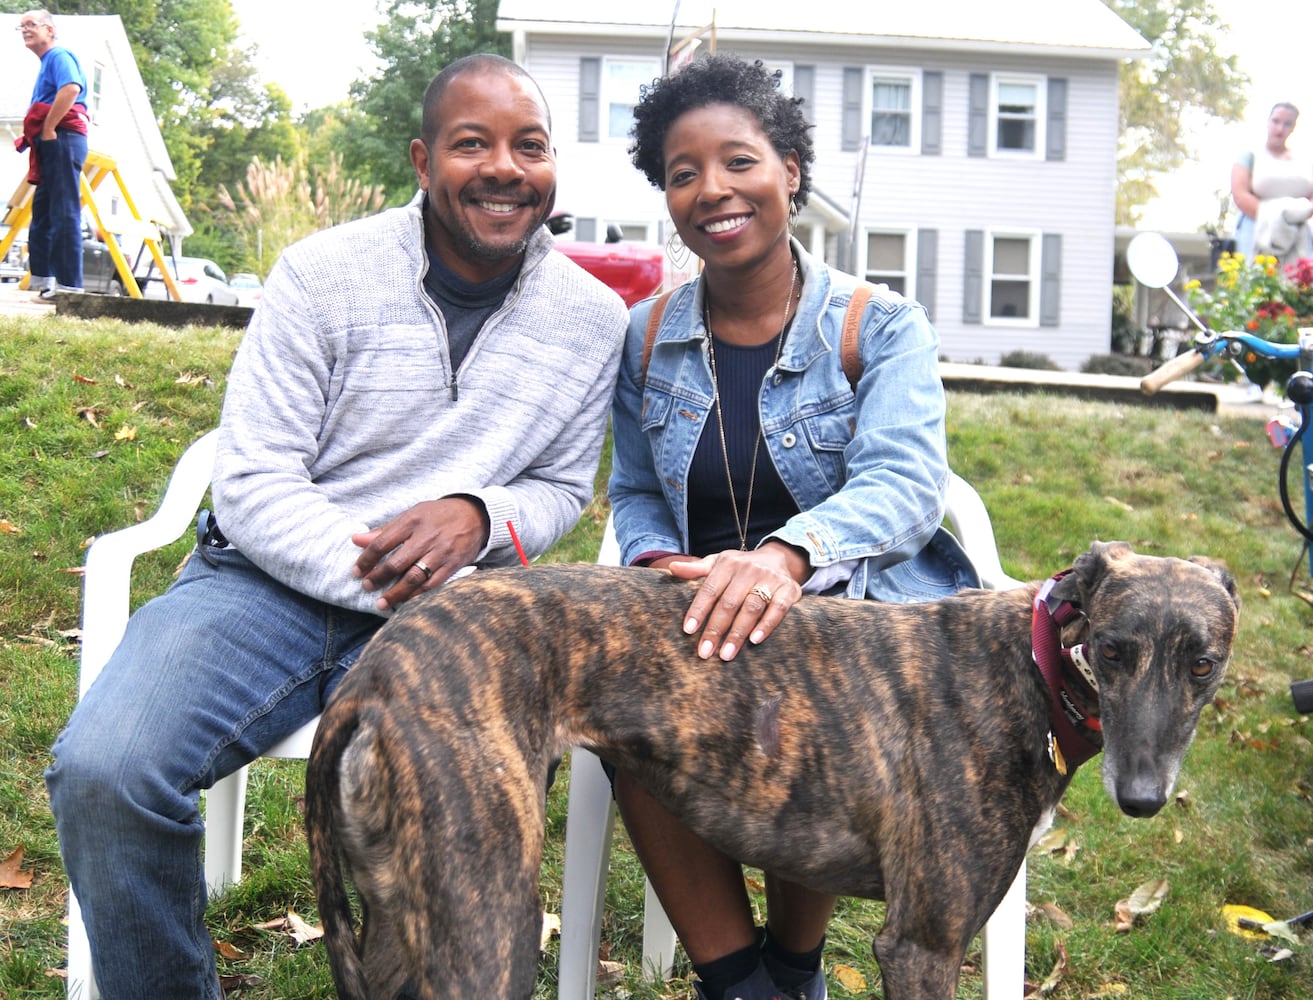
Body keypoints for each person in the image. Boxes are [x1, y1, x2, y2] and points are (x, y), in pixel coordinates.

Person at [45, 53, 628, 999]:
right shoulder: (321, 274)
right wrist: (378, 572)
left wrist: (480, 512)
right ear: (421, 158)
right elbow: (253, 476)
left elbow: (562, 486)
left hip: (451, 614)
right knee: (107, 771)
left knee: (462, 816)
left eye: (529, 146)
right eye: (471, 143)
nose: (504, 168)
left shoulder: (593, 319)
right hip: (262, 587)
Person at [607, 53, 977, 1000]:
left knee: (792, 660)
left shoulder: (878, 325)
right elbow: (637, 491)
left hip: (859, 612)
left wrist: (786, 554)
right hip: (704, 610)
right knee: (622, 698)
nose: (711, 191)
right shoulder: (647, 337)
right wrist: (659, 565)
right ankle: (741, 982)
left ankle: (793, 967)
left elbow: (904, 485)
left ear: (789, 172)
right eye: (682, 173)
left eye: (738, 162)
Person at [16, 8, 88, 298]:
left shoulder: (59, 56)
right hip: (51, 142)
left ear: (50, 29)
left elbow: (71, 88)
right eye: (21, 26)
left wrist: (48, 128)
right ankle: (43, 280)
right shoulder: (46, 62)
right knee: (43, 214)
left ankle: (70, 287)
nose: (25, 30)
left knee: (64, 210)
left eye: (31, 24)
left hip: (61, 138)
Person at [1231, 102, 1313, 265]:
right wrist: (1276, 218)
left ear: (1293, 128)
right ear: (1268, 122)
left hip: (1298, 232)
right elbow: (1240, 194)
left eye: (1287, 124)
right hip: (1256, 228)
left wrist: (1293, 217)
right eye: (1276, 121)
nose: (1280, 128)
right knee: (1256, 282)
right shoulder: (1250, 155)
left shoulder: (1303, 160)